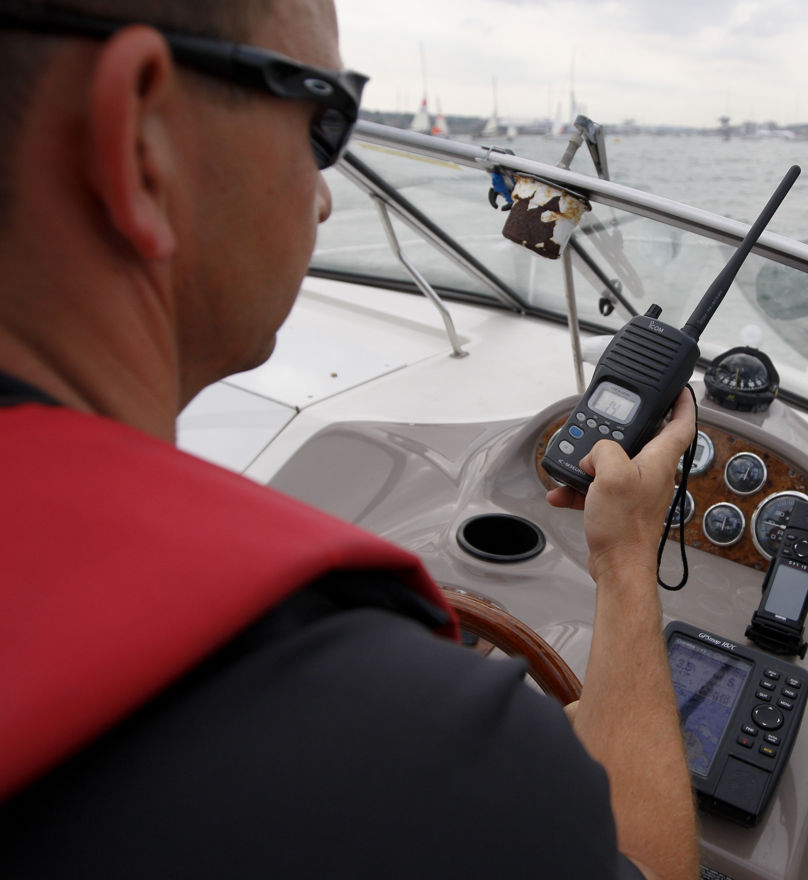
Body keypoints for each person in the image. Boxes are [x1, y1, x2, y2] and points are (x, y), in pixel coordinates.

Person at [0, 1, 700, 877]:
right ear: (142, 144)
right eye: (323, 118)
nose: (327, 196)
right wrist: (628, 560)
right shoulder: (426, 767)